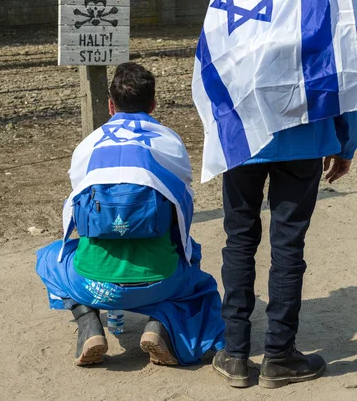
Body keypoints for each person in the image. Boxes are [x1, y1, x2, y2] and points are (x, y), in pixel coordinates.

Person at [36, 62, 225, 367]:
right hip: (160, 281)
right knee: (198, 278)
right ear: (153, 103)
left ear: (111, 105)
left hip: (91, 283)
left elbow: (79, 214)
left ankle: (88, 322)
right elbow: (182, 206)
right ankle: (160, 324)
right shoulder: (170, 143)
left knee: (47, 257)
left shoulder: (87, 146)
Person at [212, 113, 357, 389]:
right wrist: (344, 144)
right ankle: (279, 355)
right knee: (288, 245)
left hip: (241, 134)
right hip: (304, 133)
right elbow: (340, 79)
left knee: (239, 241)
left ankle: (235, 353)